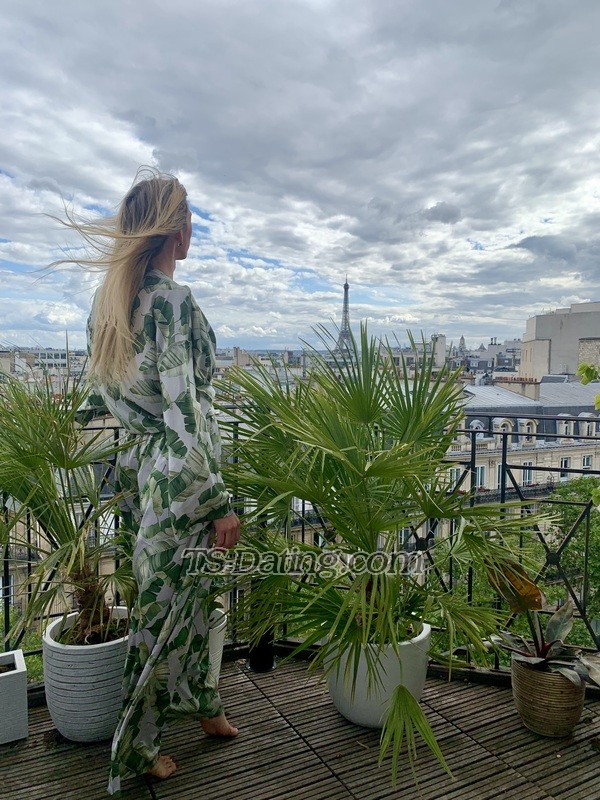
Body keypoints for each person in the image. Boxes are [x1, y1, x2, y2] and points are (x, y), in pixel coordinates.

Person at [70, 167, 240, 793]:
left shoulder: (112, 303)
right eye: (190, 218)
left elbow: (112, 394)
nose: (193, 229)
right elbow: (183, 409)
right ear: (176, 229)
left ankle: (204, 702)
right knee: (164, 615)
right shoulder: (170, 301)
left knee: (193, 599)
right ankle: (133, 751)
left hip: (153, 473)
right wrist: (217, 501)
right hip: (185, 481)